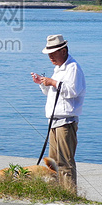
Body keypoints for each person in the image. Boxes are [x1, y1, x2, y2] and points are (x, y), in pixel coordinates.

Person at [31, 34, 86, 189]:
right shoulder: (59, 68)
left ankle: (69, 193)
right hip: (54, 120)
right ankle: (56, 191)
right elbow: (52, 92)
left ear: (63, 51)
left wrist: (53, 82)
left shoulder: (72, 67)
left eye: (53, 53)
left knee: (65, 161)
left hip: (66, 121)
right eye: (49, 54)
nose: (50, 57)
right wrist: (43, 83)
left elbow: (72, 91)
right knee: (53, 161)